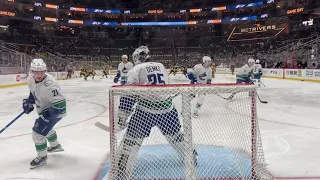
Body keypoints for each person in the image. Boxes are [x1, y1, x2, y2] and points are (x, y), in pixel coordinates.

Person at [109, 46, 197, 180]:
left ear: (137, 58)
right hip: (168, 110)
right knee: (176, 136)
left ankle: (122, 170)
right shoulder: (161, 66)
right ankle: (190, 156)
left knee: (131, 141)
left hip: (146, 112)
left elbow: (129, 95)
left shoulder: (136, 69)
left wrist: (121, 118)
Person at [23, 58, 66, 169]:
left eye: (42, 71)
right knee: (46, 128)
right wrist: (29, 102)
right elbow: (33, 91)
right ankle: (55, 145)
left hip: (56, 111)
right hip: (44, 109)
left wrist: (46, 116)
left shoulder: (50, 85)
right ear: (31, 71)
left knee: (37, 133)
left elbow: (60, 105)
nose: (39, 74)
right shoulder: (30, 79)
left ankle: (42, 157)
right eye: (36, 72)